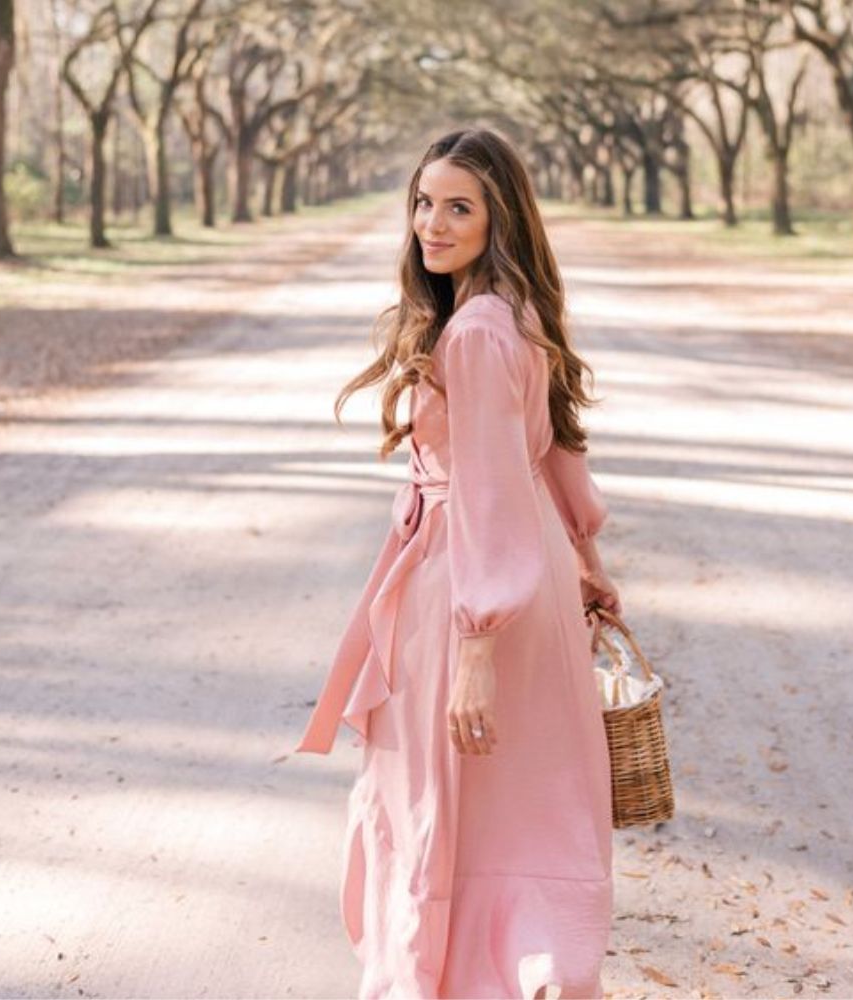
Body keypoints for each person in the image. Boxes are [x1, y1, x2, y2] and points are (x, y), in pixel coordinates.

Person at [293, 127, 623, 1000]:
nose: (430, 224)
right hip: (530, 578)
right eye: (423, 202)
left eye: (458, 208)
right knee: (526, 804)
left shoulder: (475, 333)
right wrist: (585, 559)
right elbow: (553, 455)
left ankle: (443, 976)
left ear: (498, 219)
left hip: (471, 588)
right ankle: (527, 970)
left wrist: (476, 643)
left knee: (450, 799)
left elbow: (485, 492)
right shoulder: (515, 312)